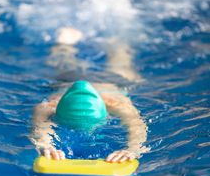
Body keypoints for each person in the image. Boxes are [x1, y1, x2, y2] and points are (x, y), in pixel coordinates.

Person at [31, 28, 148, 163]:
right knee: (120, 63)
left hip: (95, 80)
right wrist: (44, 145)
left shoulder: (117, 103)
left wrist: (133, 149)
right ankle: (111, 41)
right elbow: (135, 124)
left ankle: (66, 42)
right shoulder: (48, 106)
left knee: (122, 66)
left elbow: (136, 126)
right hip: (96, 80)